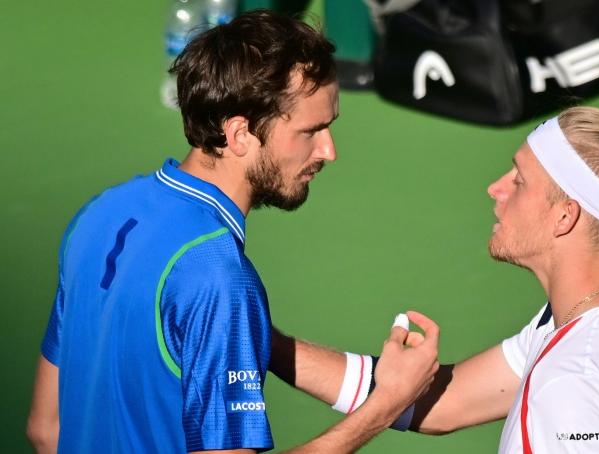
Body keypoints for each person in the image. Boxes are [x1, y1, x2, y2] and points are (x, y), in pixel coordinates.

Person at [26, 10, 439, 454]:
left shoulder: (99, 215)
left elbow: (46, 429)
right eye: (311, 131)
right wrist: (386, 404)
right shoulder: (218, 276)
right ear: (240, 134)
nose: (329, 151)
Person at [270, 106, 599, 453]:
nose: (495, 188)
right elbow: (447, 403)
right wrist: (264, 343)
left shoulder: (570, 386)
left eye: (519, 180)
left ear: (564, 216)